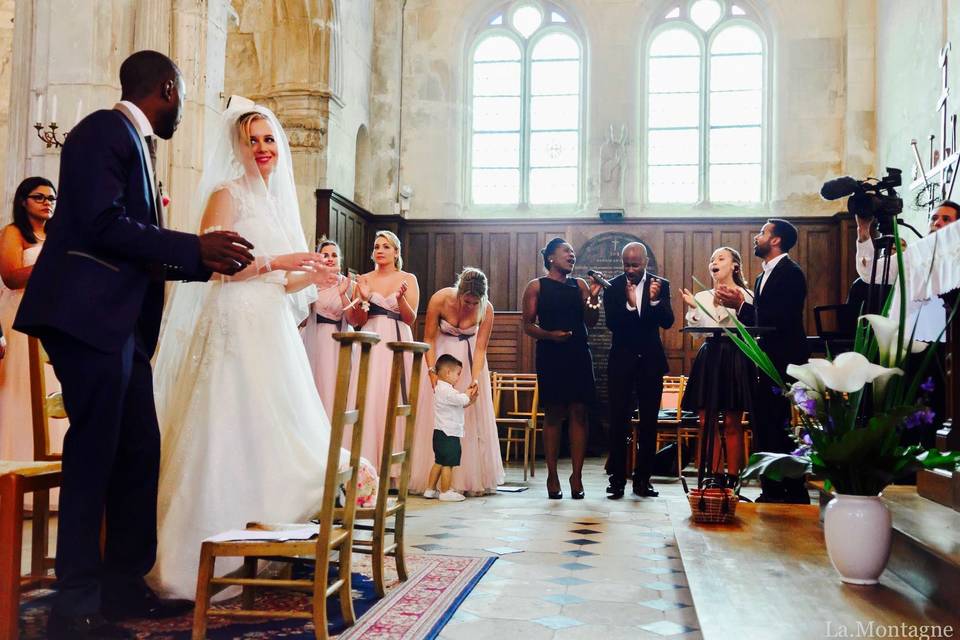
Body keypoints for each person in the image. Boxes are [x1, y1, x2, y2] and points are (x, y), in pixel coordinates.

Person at [14, 51, 255, 640]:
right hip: (86, 317)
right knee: (95, 454)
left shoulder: (136, 144)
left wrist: (198, 261)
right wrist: (193, 247)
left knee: (139, 451)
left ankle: (123, 585)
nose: (180, 111)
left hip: (119, 327)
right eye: (180, 97)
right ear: (166, 88)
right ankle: (74, 605)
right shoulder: (104, 130)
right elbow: (101, 224)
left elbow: (135, 241)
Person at [149, 102, 378, 600]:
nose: (262, 149)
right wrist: (281, 259)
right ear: (238, 146)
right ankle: (202, 555)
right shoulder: (226, 194)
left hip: (269, 325)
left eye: (269, 140)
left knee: (269, 427)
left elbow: (280, 281)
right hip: (233, 321)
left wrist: (310, 275)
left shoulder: (275, 201)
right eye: (252, 140)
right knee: (226, 426)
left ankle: (268, 540)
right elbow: (210, 266)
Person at [715, 219, 810, 504]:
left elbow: (780, 317)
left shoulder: (791, 273)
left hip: (784, 359)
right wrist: (741, 308)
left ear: (776, 240)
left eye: (762, 233)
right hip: (763, 358)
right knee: (763, 425)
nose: (757, 237)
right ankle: (771, 489)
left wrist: (741, 305)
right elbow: (758, 318)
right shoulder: (760, 277)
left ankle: (794, 490)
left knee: (780, 426)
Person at [409, 267, 505, 496]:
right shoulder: (440, 299)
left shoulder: (487, 309)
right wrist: (432, 371)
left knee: (468, 417)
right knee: (437, 417)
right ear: (459, 292)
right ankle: (430, 481)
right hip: (441, 361)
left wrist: (475, 379)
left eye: (475, 303)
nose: (470, 306)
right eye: (466, 301)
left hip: (470, 362)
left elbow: (481, 348)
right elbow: (429, 338)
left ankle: (468, 479)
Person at [521, 238, 601, 500]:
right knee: (554, 413)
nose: (572, 255)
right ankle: (552, 475)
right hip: (551, 352)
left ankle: (576, 476)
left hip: (578, 351)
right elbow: (528, 325)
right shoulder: (536, 287)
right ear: (551, 257)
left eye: (573, 252)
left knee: (580, 412)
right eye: (567, 251)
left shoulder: (579, 285)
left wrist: (594, 297)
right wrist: (550, 335)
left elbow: (591, 320)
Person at [0, 177, 67, 468]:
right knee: (20, 389)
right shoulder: (14, 233)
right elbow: (11, 276)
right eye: (39, 197)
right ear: (23, 201)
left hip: (56, 318)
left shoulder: (58, 236)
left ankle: (50, 473)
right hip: (21, 316)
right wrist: (52, 264)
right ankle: (15, 464)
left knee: (52, 392)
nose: (47, 203)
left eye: (51, 198)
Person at [602, 242, 674, 499]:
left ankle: (643, 480)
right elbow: (612, 323)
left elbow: (668, 321)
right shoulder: (613, 287)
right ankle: (617, 480)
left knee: (649, 423)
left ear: (645, 262)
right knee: (618, 421)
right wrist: (631, 306)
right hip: (621, 361)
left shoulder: (661, 285)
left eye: (635, 264)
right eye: (626, 264)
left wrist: (654, 302)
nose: (630, 269)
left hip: (651, 363)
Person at [347, 230, 420, 473]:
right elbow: (357, 319)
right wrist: (362, 300)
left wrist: (399, 300)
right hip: (371, 338)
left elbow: (410, 319)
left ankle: (397, 468)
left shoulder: (408, 278)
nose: (380, 250)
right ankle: (369, 464)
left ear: (396, 252)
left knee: (395, 395)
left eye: (386, 246)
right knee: (370, 393)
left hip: (397, 338)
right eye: (377, 246)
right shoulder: (364, 279)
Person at [680, 247, 755, 479]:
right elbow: (695, 334)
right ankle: (714, 475)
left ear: (734, 265)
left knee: (733, 421)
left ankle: (733, 477)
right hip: (711, 354)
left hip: (735, 355)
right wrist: (695, 308)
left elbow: (750, 325)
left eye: (721, 258)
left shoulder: (748, 294)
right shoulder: (702, 296)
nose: (715, 262)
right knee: (706, 420)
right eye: (712, 259)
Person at [854, 202, 957, 341]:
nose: (937, 223)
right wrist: (864, 231)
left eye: (946, 219)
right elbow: (869, 272)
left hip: (950, 338)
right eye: (933, 218)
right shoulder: (914, 255)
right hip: (911, 339)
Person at [301, 239, 354, 417]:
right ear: (319, 259)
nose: (330, 258)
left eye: (334, 255)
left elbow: (354, 319)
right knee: (318, 381)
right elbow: (303, 317)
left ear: (340, 259)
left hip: (341, 339)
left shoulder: (348, 284)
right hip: (316, 337)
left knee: (337, 382)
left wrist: (344, 293)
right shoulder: (310, 285)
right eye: (325, 255)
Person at [423, 354, 478, 502]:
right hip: (449, 433)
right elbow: (460, 399)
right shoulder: (446, 390)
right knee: (448, 463)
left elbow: (460, 403)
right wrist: (467, 394)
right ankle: (445, 491)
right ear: (448, 373)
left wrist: (470, 400)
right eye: (458, 373)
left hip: (440, 432)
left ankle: (430, 489)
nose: (458, 377)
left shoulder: (441, 389)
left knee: (439, 461)